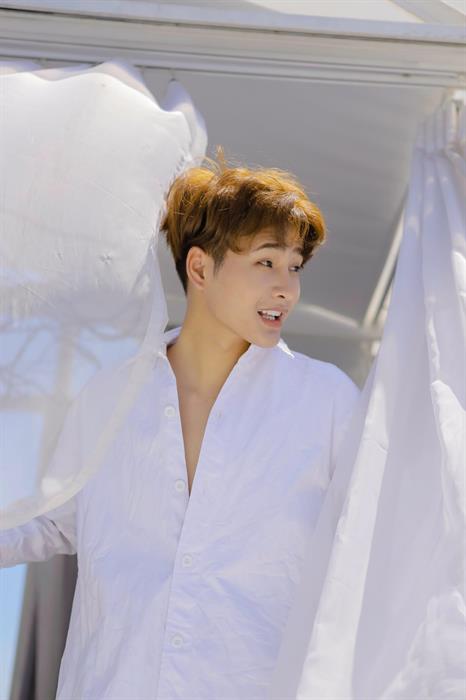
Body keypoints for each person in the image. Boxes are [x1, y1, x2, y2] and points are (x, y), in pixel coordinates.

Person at [0, 150, 361, 700]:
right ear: (200, 268)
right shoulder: (111, 397)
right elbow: (48, 520)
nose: (287, 289)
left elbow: (373, 545)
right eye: (266, 262)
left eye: (295, 267)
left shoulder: (327, 401)